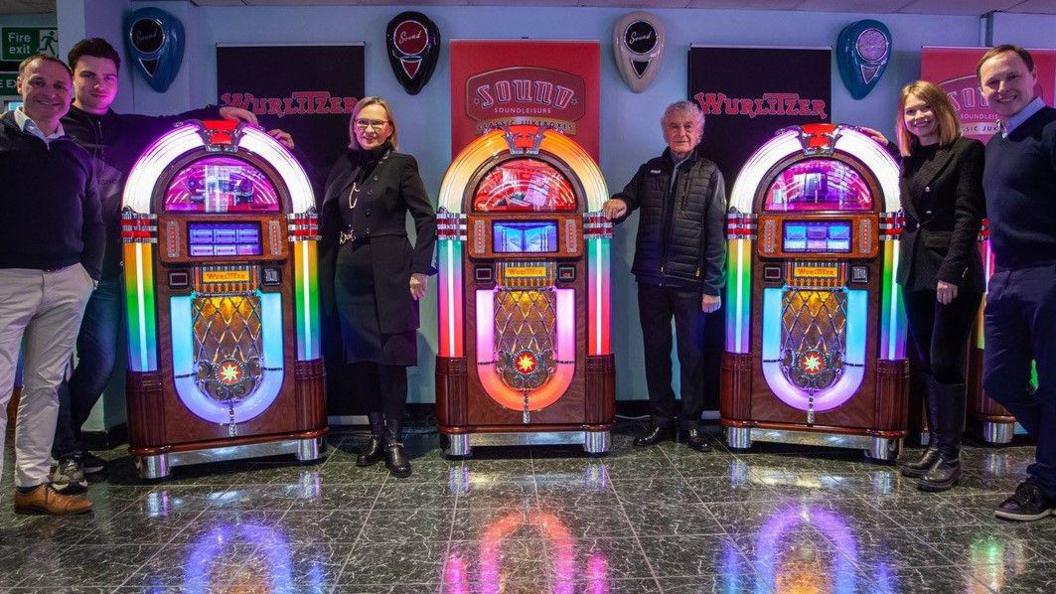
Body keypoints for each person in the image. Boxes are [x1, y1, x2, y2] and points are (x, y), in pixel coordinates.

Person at [49, 38, 288, 493]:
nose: (99, 85)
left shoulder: (126, 128)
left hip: (115, 264)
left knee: (100, 361)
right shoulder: (56, 133)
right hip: (66, 261)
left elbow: (174, 123)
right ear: (72, 78)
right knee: (54, 365)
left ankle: (67, 444)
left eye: (108, 78)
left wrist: (220, 112)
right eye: (89, 76)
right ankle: (58, 451)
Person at [866, 82, 985, 491]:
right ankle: (935, 447)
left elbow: (969, 217)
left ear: (941, 110)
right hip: (915, 267)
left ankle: (950, 457)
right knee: (929, 360)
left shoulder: (967, 152)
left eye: (924, 110)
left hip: (950, 271)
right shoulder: (912, 159)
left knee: (946, 359)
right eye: (910, 112)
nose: (918, 118)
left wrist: (951, 273)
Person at [0, 54, 101, 514]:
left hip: (65, 281)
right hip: (8, 279)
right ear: (20, 84)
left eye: (60, 86)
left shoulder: (75, 152)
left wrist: (88, 274)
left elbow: (95, 220)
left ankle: (32, 487)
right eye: (39, 82)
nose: (51, 93)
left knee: (44, 387)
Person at [319, 97, 436, 478]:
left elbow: (426, 219)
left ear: (389, 129)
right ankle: (375, 433)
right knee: (361, 360)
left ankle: (395, 439)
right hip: (348, 273)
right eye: (361, 122)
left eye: (376, 124)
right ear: (353, 126)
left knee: (391, 360)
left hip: (390, 271)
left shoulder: (401, 165)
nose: (368, 130)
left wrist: (419, 271)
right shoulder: (343, 165)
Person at [602, 100, 726, 452]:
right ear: (665, 131)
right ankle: (660, 420)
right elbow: (627, 198)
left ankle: (691, 424)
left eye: (688, 126)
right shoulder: (650, 170)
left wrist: (712, 285)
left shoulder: (710, 173)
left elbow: (717, 234)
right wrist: (618, 204)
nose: (681, 133)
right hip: (651, 280)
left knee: (692, 355)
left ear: (699, 132)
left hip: (692, 283)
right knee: (655, 351)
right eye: (674, 126)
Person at [976, 45, 1056, 521]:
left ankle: (1045, 483)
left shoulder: (1051, 131)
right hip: (1005, 274)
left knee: (1053, 383)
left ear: (1033, 76)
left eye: (1011, 77)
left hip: (1049, 270)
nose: (1002, 89)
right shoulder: (997, 144)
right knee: (1000, 379)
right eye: (992, 82)